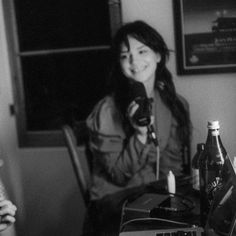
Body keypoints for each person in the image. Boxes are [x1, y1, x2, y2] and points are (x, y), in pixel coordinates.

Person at [83, 20, 191, 235]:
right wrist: (141, 136)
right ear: (119, 64)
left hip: (157, 199)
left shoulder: (174, 104)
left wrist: (172, 199)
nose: (134, 61)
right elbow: (118, 175)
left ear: (158, 56)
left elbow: (172, 167)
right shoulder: (107, 110)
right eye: (125, 55)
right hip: (115, 204)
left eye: (142, 51)